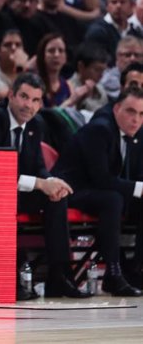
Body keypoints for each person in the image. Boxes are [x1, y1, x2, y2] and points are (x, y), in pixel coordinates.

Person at [0, 72, 91, 300]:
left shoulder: (35, 125)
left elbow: (38, 166)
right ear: (11, 95)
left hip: (17, 192)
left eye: (35, 100)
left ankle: (59, 277)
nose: (28, 105)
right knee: (13, 200)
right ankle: (8, 279)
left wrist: (50, 182)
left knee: (56, 199)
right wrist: (40, 183)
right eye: (24, 97)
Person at [53, 86, 143, 296]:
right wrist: (139, 188)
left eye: (141, 114)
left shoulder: (135, 133)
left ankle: (137, 268)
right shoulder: (100, 129)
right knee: (113, 199)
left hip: (99, 191)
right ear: (116, 109)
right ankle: (112, 272)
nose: (136, 119)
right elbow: (100, 178)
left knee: (123, 198)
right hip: (70, 190)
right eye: (130, 111)